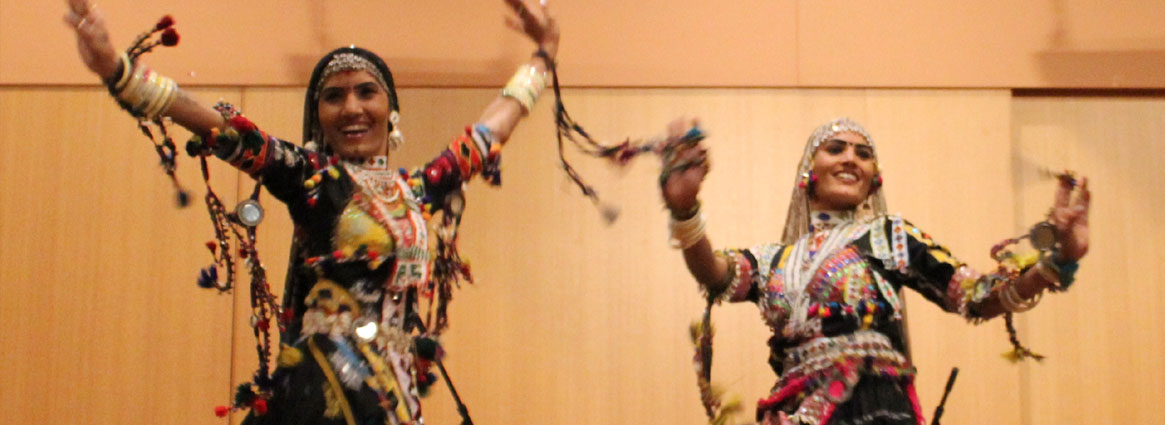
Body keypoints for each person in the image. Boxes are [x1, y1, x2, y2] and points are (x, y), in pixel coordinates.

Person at [62, 0, 560, 423]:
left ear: (391, 109)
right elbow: (220, 128)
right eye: (334, 97)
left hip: (394, 390)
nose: (352, 108)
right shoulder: (310, 179)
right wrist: (118, 73)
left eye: (366, 92)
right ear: (319, 115)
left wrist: (546, 51)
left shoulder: (419, 188)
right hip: (321, 391)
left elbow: (493, 128)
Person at [655, 118, 1090, 425]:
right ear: (809, 171)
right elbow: (714, 274)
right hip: (796, 410)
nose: (851, 159)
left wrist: (1056, 261)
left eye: (864, 154)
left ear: (873, 178)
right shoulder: (774, 261)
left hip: (877, 407)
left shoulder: (892, 236)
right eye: (836, 149)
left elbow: (977, 296)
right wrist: (684, 209)